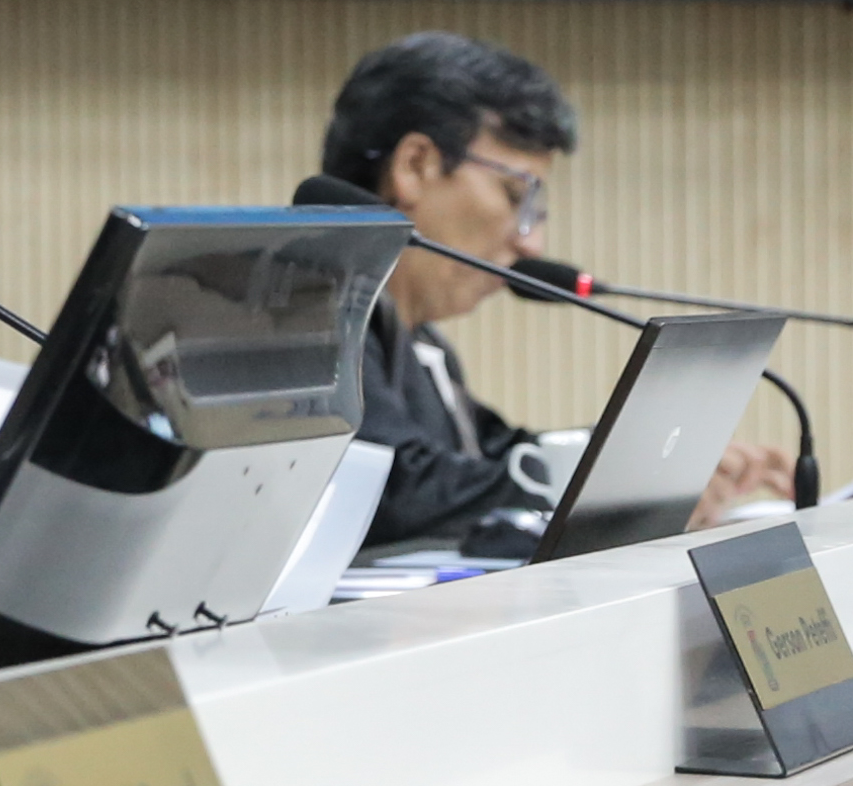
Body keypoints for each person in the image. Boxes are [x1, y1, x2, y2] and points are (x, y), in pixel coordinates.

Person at [316, 34, 789, 547]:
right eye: (515, 196)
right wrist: (622, 482)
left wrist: (646, 463)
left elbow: (496, 459)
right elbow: (397, 493)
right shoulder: (313, 320)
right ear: (415, 166)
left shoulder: (422, 343)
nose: (531, 243)